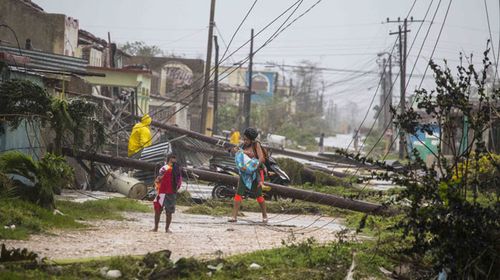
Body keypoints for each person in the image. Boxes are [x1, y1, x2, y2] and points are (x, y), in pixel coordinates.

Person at [228, 127, 268, 223]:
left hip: (255, 174)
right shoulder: (243, 145)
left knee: (258, 195)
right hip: (244, 173)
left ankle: (265, 216)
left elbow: (261, 158)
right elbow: (236, 152)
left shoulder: (256, 144)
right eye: (244, 139)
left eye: (246, 139)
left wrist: (253, 164)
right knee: (238, 193)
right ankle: (234, 216)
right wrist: (234, 150)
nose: (244, 141)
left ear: (252, 140)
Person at [152, 154, 182, 233]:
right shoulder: (164, 168)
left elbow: (179, 181)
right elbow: (159, 178)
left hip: (170, 192)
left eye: (175, 158)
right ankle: (156, 227)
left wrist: (176, 188)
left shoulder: (176, 169)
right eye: (173, 158)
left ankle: (166, 228)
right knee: (158, 210)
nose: (174, 160)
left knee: (169, 212)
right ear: (169, 159)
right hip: (162, 191)